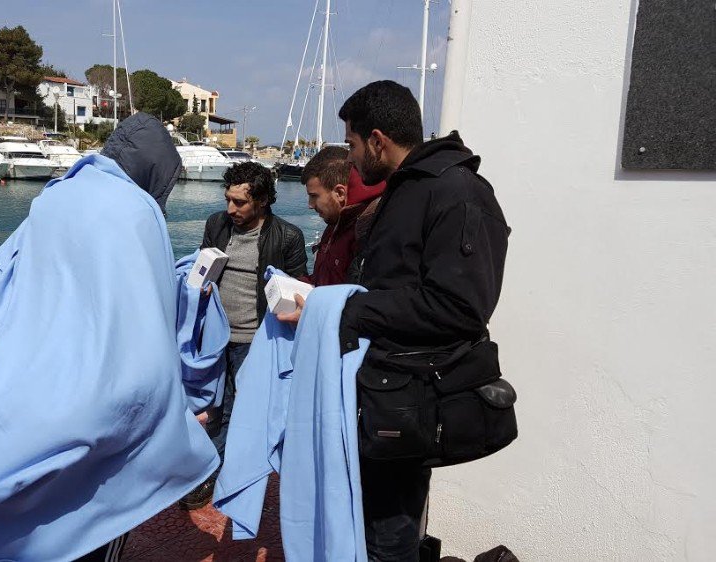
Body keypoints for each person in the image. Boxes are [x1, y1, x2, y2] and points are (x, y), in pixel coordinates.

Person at [0, 113, 220, 562]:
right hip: (101, 386)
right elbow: (146, 311)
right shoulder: (137, 210)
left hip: (27, 365)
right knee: (102, 509)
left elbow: (13, 283)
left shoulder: (54, 196)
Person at [280, 80, 510, 561]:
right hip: (382, 395)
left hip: (407, 403)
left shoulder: (457, 192)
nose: (351, 153)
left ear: (378, 140)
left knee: (388, 538)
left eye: (352, 142)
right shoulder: (411, 190)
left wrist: (341, 307)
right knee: (368, 527)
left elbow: (459, 307)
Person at [180, 161, 308, 510]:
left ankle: (214, 473)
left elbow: (300, 291)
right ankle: (208, 465)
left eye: (240, 203)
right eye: (228, 200)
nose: (230, 209)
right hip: (213, 338)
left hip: (255, 341)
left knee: (239, 407)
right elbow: (201, 270)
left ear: (263, 200)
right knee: (209, 403)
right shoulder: (216, 225)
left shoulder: (288, 236)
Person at [302, 146, 385, 286]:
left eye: (314, 196)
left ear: (340, 193)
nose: (310, 205)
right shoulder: (335, 223)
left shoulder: (370, 229)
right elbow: (323, 279)